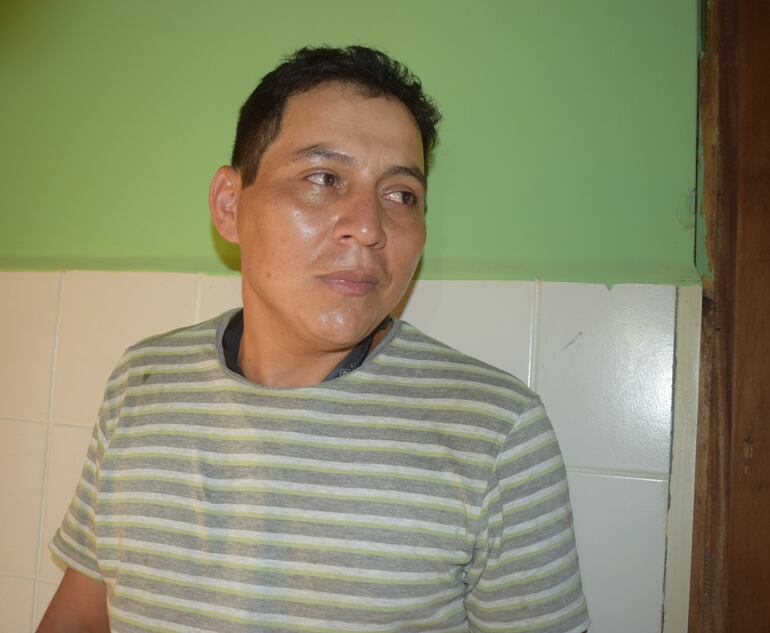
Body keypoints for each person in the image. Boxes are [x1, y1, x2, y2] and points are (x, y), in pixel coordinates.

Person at [38, 45, 589, 633]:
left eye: (401, 195)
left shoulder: (495, 433)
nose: (370, 227)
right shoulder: (143, 383)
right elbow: (81, 616)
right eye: (324, 179)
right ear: (229, 204)